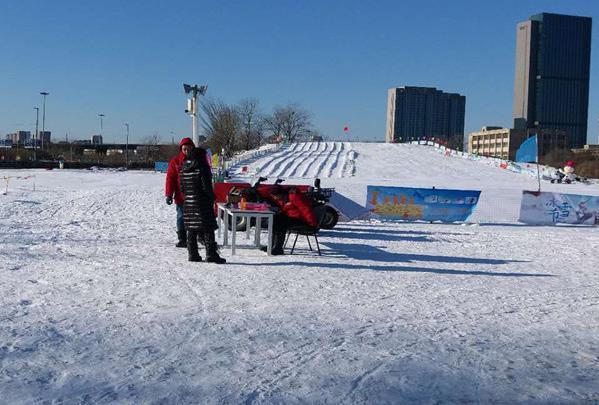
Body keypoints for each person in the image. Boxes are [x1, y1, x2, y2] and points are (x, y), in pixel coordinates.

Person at [180, 148, 226, 263]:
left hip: (188, 203)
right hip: (202, 203)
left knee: (191, 229)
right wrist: (212, 197)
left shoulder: (183, 169)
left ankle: (193, 254)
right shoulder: (202, 169)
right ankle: (211, 254)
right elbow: (207, 188)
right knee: (208, 228)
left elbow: (182, 188)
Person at [257, 186, 319, 255]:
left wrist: (312, 223)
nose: (275, 198)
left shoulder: (294, 197)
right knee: (275, 219)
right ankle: (271, 246)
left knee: (280, 221)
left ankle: (278, 248)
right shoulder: (284, 198)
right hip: (293, 217)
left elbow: (305, 209)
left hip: (303, 221)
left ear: (281, 194)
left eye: (276, 196)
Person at [165, 137, 195, 247]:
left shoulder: (197, 161)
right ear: (181, 149)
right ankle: (182, 238)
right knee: (181, 217)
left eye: (189, 149)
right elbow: (170, 179)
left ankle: (195, 238)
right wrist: (169, 194)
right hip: (180, 196)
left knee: (194, 218)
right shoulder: (175, 162)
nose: (187, 151)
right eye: (184, 149)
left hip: (194, 196)